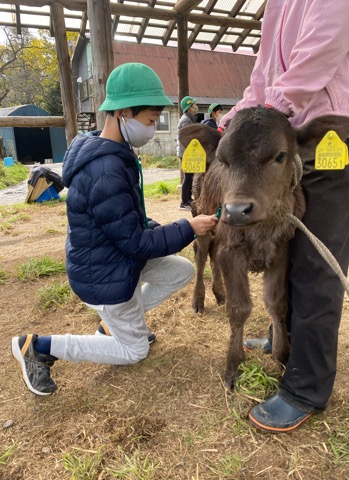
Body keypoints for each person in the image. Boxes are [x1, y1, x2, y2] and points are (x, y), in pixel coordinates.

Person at [12, 63, 218, 396]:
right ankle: (38, 347)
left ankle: (117, 324)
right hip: (105, 275)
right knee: (134, 351)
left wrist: (176, 228)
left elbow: (129, 222)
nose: (152, 129)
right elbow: (136, 242)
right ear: (123, 113)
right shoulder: (106, 170)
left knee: (180, 270)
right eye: (151, 121)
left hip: (115, 258)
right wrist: (188, 227)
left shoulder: (111, 153)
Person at [219, 0, 349, 433]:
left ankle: (306, 387)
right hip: (277, 135)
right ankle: (288, 343)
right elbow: (263, 71)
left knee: (316, 265)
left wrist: (270, 111)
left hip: (328, 135)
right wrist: (238, 116)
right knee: (285, 251)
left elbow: (323, 46)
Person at [177, 95, 198, 210]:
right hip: (186, 153)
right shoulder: (186, 120)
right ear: (189, 107)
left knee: (190, 177)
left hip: (187, 152)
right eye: (194, 105)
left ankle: (188, 200)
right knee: (188, 177)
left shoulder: (188, 118)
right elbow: (188, 138)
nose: (196, 106)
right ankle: (184, 202)